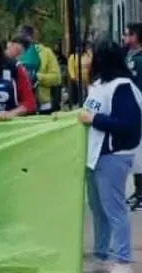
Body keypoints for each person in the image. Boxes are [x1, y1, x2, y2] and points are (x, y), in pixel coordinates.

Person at [80, 39, 142, 273]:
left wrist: (94, 120)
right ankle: (101, 251)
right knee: (98, 208)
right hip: (94, 155)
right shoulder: (99, 85)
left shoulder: (122, 86)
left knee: (114, 209)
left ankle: (123, 258)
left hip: (113, 156)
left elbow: (128, 124)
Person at [17, 25, 61, 114]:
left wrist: (37, 77)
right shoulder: (14, 54)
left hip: (44, 106)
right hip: (21, 107)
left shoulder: (46, 52)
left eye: (27, 36)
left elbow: (56, 78)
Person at [122, 22, 142, 211]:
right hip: (133, 108)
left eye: (127, 35)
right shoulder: (128, 55)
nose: (124, 38)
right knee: (137, 152)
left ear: (136, 36)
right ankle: (138, 190)